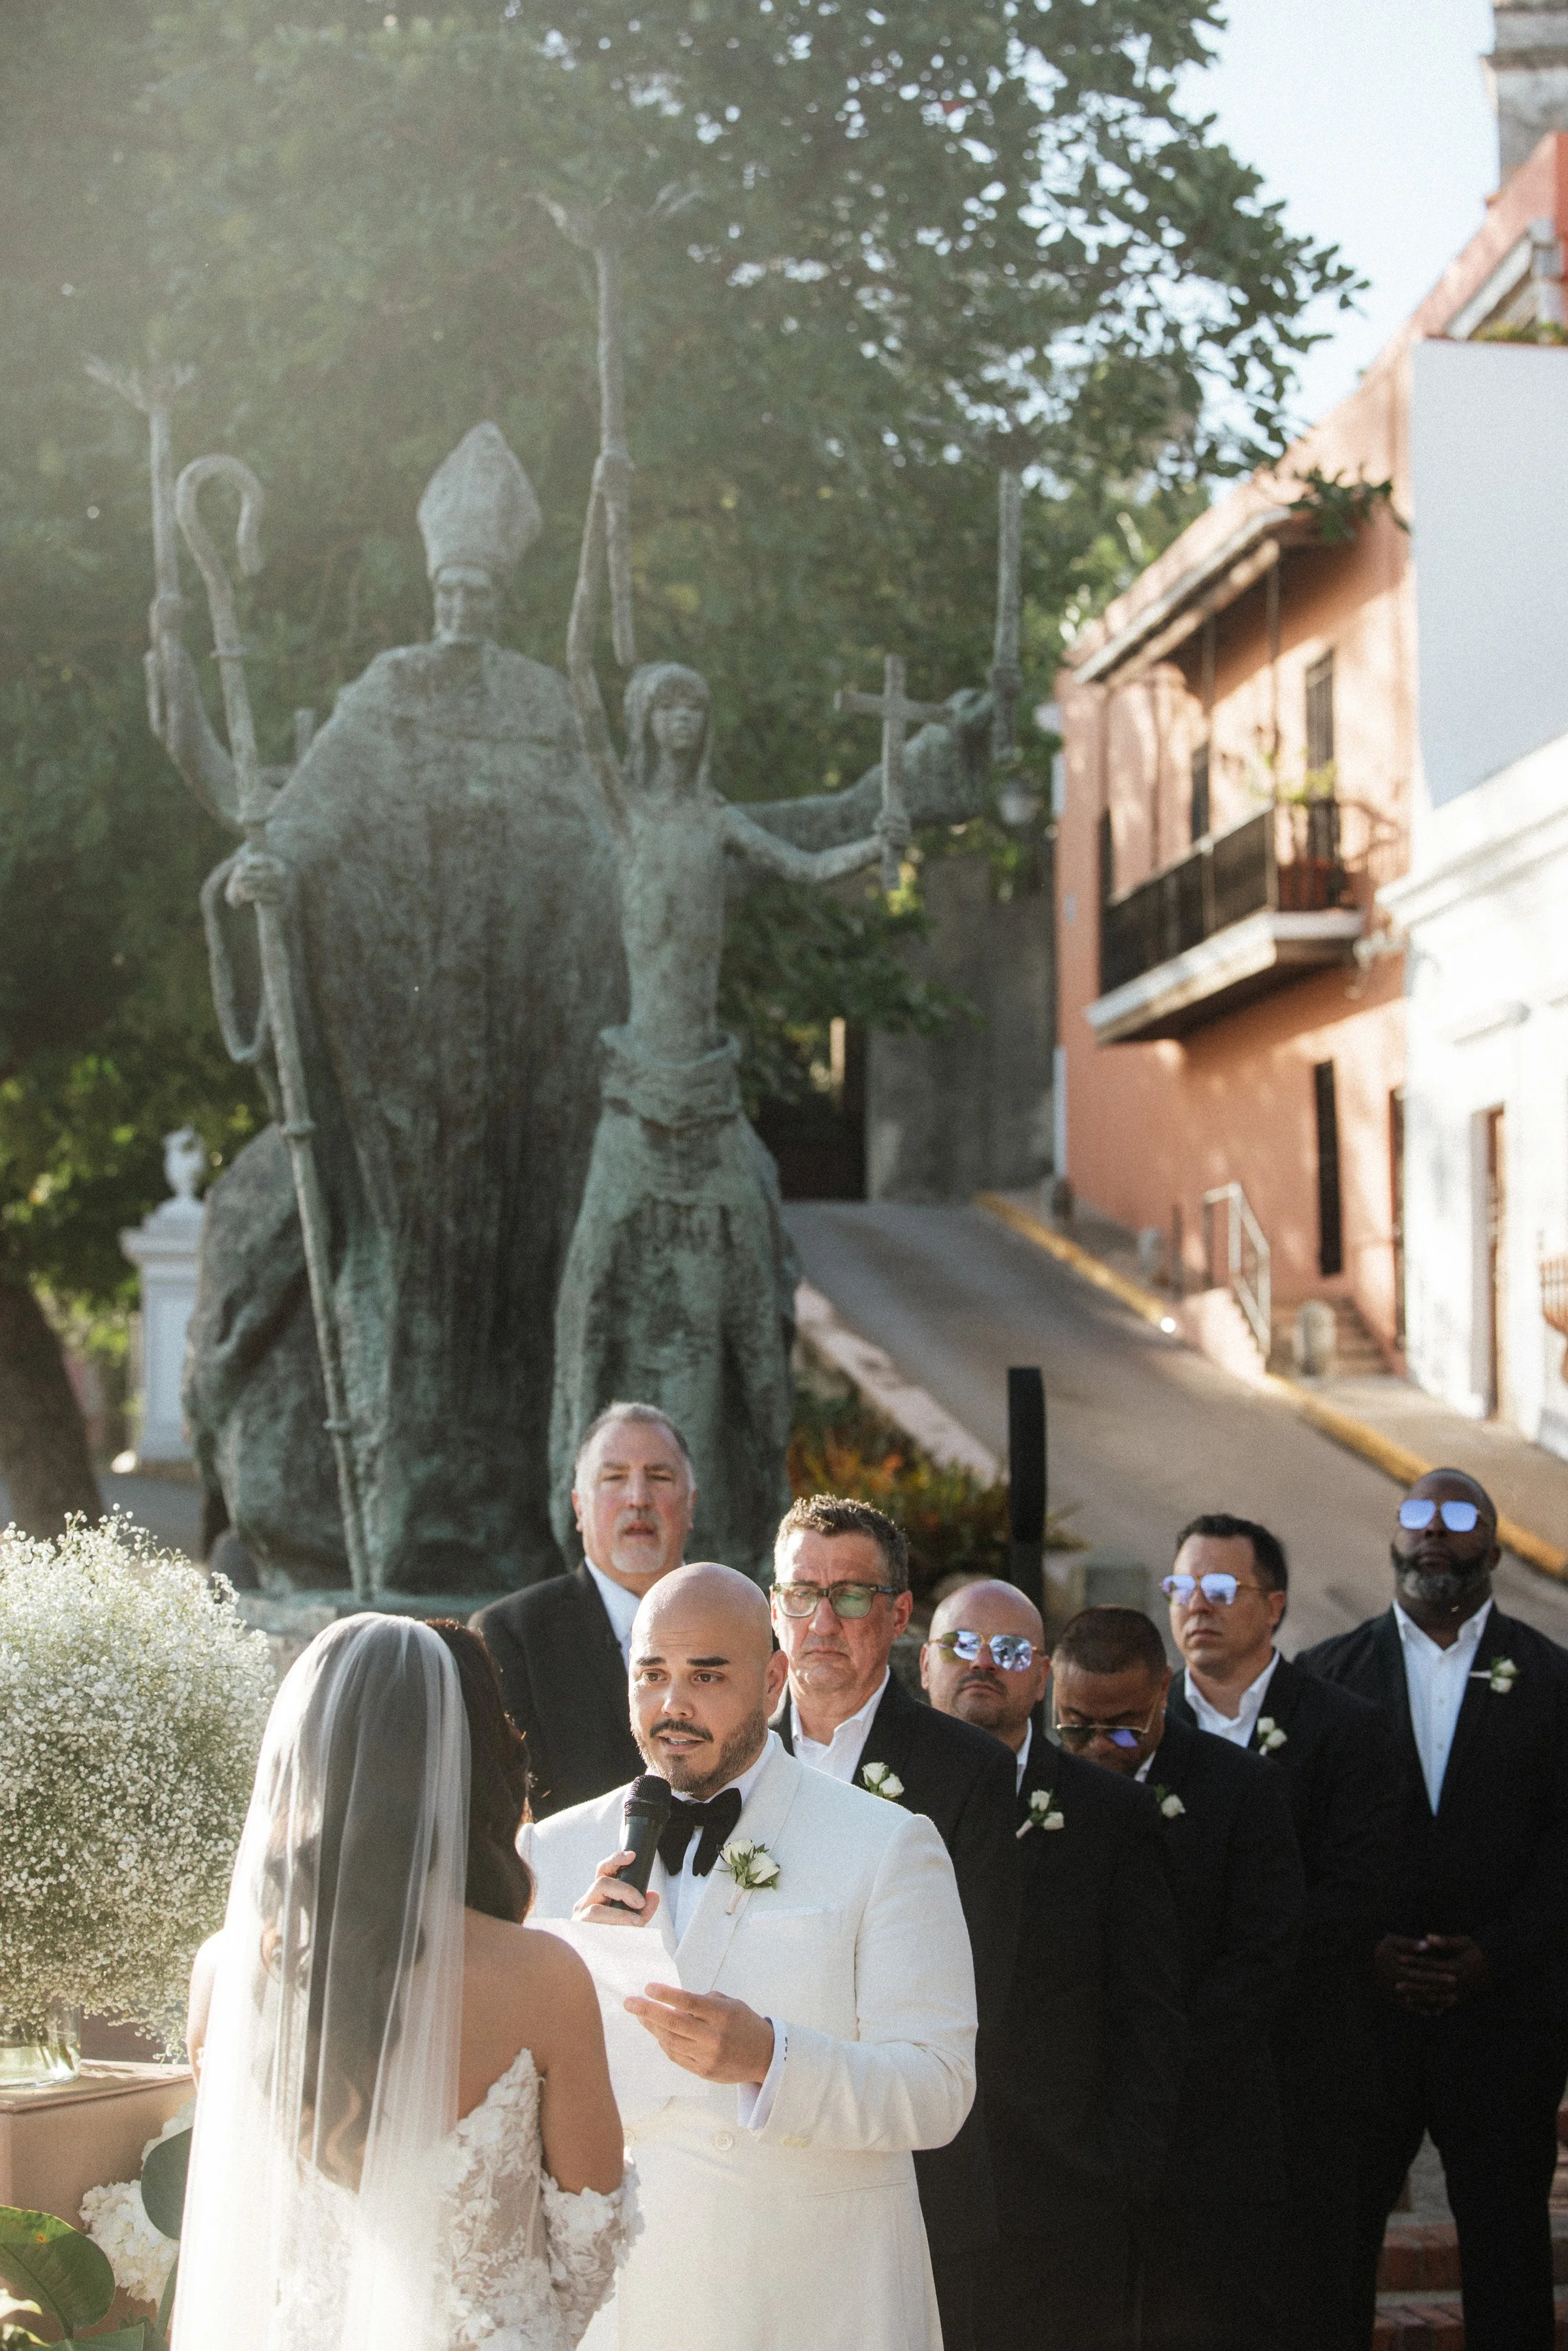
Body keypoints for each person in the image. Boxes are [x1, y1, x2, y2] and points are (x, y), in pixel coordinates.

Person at [522, 1562, 977, 2351]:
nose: (673, 1703)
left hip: (812, 2303)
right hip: (627, 2311)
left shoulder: (885, 1844)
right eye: (652, 1674)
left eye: (706, 1676)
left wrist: (772, 2058)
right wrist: (577, 1975)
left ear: (771, 1682)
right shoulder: (551, 1854)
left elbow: (939, 2089)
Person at [178, 1613, 630, 2351]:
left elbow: (235, 2214)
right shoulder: (544, 1978)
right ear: (475, 1767)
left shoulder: (223, 1970)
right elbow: (589, 2244)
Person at [1299, 1467, 1568, 2351]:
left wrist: (1495, 1953)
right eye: (1418, 1514)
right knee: (1337, 2250)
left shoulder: (1553, 1680)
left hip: (1505, 2023)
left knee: (1508, 2248)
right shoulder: (1324, 1677)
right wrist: (1365, 1951)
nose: (1435, 1533)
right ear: (1393, 1537)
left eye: (1459, 1517)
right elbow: (1299, 1846)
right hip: (1361, 2025)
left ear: (1493, 1546)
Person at [763, 1496, 1019, 2351]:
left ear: (899, 1613)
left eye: (849, 1596)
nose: (821, 1622)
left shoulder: (968, 1772)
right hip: (753, 2167)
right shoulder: (729, 1759)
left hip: (911, 2168)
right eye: (801, 1594)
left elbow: (980, 1979)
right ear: (774, 1608)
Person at [923, 1580, 1185, 2351]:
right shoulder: (870, 1800)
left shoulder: (1111, 1814)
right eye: (961, 1645)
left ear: (1042, 1678)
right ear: (925, 1666)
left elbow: (1148, 2009)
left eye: (1009, 1651)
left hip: (1062, 2195)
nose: (983, 1663)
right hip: (906, 2185)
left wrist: (1119, 2168)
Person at [1162, 1513, 1397, 2351]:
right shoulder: (1139, 1723)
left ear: (1274, 1606)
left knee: (1316, 2303)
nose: (1197, 1605)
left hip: (1305, 2072)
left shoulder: (1345, 1728)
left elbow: (1358, 1894)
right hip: (1175, 2079)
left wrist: (1239, 1984)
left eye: (1221, 1588)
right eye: (1182, 1587)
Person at [1052, 1605, 1302, 2351]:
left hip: (1208, 2140)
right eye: (1075, 1726)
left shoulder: (1243, 1789)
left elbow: (1262, 1958)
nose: (1099, 1747)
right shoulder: (1033, 1787)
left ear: (1164, 1689)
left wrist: (1150, 2068)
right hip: (1072, 2139)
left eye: (1124, 1727)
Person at [472, 1402, 694, 1814]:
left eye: (660, 1477)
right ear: (578, 1507)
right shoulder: (512, 1635)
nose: (638, 1499)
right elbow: (513, 1807)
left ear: (691, 1504)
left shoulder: (747, 1624)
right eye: (614, 1478)